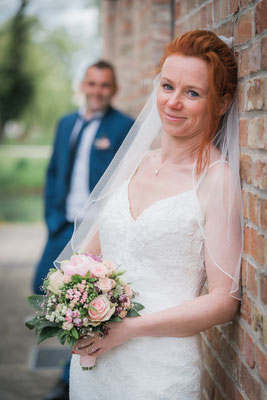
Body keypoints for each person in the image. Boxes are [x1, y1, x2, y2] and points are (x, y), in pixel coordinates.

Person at [60, 30, 242, 399]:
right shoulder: (135, 163)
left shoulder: (216, 179)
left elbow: (224, 299)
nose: (173, 102)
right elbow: (86, 256)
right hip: (95, 366)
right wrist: (72, 307)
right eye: (167, 86)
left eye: (192, 93)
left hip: (159, 372)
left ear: (220, 104)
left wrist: (129, 329)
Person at [33, 60, 134, 400]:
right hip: (62, 226)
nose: (97, 91)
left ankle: (68, 376)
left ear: (113, 89)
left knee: (84, 303)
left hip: (97, 234)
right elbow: (53, 172)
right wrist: (52, 219)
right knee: (45, 291)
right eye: (92, 84)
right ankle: (72, 364)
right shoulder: (65, 124)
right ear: (83, 85)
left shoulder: (124, 127)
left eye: (104, 85)